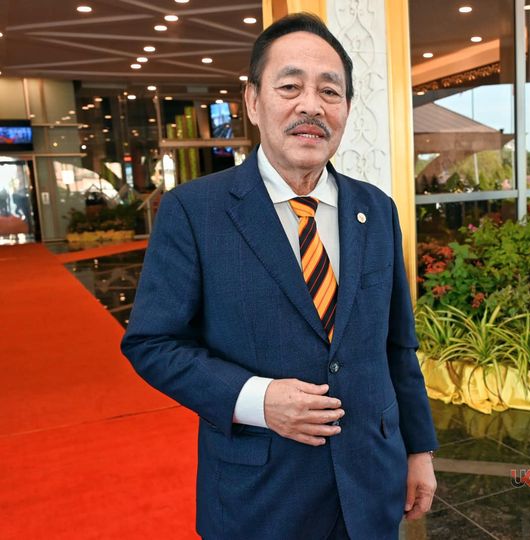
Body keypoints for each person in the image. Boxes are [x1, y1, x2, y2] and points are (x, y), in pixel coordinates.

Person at [120, 13, 438, 540]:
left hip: (372, 482)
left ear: (346, 108)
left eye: (329, 91)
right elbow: (152, 343)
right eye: (290, 87)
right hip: (261, 496)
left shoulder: (376, 208)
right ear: (252, 101)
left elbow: (397, 345)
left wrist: (418, 450)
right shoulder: (195, 211)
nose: (311, 105)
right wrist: (257, 399)